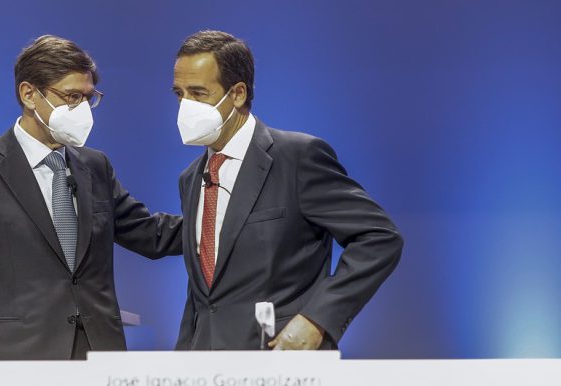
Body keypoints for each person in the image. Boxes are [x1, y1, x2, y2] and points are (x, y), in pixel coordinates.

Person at [0, 35, 181, 360]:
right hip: (16, 360)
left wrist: (222, 220)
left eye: (88, 98)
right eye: (71, 97)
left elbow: (150, 233)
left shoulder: (95, 166)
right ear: (29, 94)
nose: (83, 110)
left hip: (98, 355)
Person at [172, 31, 403, 351]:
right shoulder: (191, 178)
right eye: (180, 94)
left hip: (281, 359)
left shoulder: (297, 158)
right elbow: (204, 294)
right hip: (204, 369)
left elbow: (379, 237)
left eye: (198, 93)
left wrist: (318, 319)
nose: (186, 106)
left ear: (237, 93)